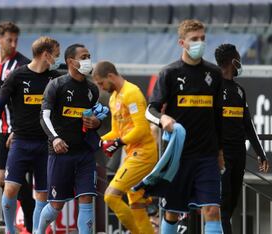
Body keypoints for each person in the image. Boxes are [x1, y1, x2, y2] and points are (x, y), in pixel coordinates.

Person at [145, 19, 224, 234]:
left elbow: (218, 116)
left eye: (203, 39)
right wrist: (163, 119)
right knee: (172, 211)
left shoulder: (215, 74)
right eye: (194, 39)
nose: (200, 43)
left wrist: (220, 151)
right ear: (182, 43)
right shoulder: (169, 73)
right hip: (177, 156)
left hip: (207, 156)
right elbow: (149, 110)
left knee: (212, 210)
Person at [0, 36, 61, 234]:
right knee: (10, 188)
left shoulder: (55, 78)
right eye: (56, 55)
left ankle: (37, 231)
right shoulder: (17, 76)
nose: (57, 59)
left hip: (46, 145)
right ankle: (10, 230)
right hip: (21, 142)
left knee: (42, 195)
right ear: (46, 54)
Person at [37, 43, 100, 234]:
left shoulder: (92, 89)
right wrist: (55, 139)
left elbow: (96, 117)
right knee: (56, 205)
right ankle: (38, 231)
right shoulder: (56, 85)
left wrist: (96, 123)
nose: (88, 60)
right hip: (60, 153)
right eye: (83, 57)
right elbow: (44, 117)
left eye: (88, 56)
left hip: (85, 154)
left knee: (86, 199)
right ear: (70, 62)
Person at [92, 61, 158, 233]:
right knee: (137, 208)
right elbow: (116, 131)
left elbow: (142, 129)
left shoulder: (132, 93)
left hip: (143, 154)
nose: (101, 88)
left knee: (110, 196)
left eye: (101, 83)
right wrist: (96, 141)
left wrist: (119, 143)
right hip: (132, 154)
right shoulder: (114, 98)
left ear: (111, 76)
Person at [0, 21, 34, 233]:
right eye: (9, 39)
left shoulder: (23, 65)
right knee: (1, 179)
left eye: (16, 40)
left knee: (10, 180)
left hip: (18, 132)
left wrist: (18, 129)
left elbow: (29, 102)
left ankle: (25, 225)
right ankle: (13, 224)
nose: (13, 44)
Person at [214, 43, 269, 234]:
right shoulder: (213, 88)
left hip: (239, 155)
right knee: (222, 205)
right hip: (221, 156)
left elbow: (248, 125)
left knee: (230, 205)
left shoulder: (239, 90)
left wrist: (260, 153)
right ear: (232, 61)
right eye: (238, 58)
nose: (240, 62)